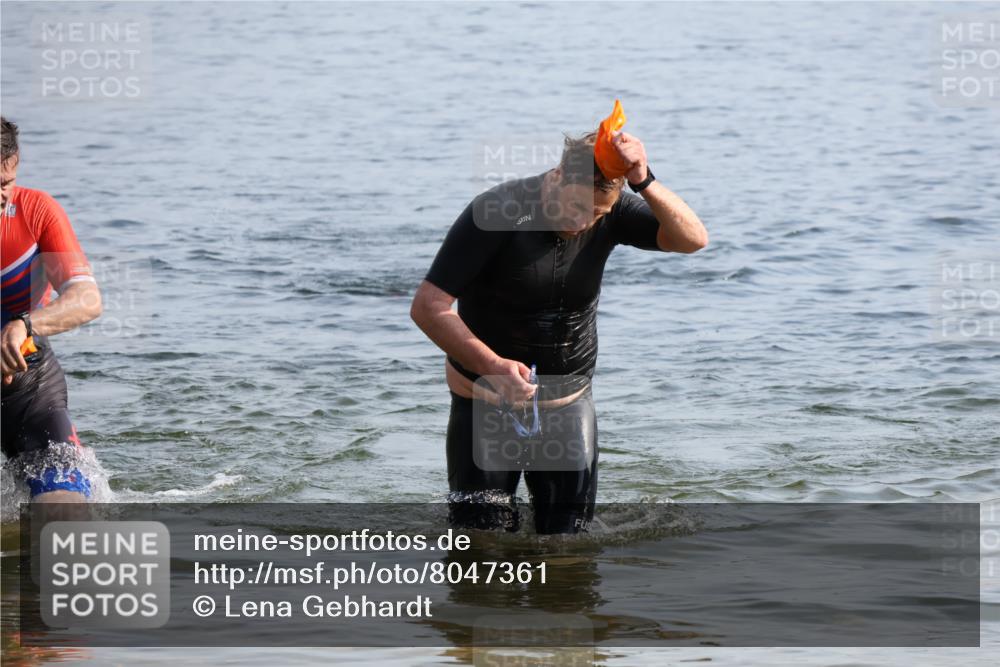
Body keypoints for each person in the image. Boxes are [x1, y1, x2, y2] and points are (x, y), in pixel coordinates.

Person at [411, 122, 708, 534]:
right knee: (480, 546)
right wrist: (494, 366)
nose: (580, 222)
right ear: (555, 176)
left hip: (568, 406)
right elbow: (428, 307)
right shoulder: (497, 211)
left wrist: (642, 179)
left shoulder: (613, 212)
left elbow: (693, 240)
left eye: (594, 214)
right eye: (572, 207)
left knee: (568, 545)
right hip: (485, 407)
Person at [1, 116, 103, 503]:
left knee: (65, 515)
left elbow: (87, 299)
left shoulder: (37, 211)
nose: (1, 197)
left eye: (6, 183)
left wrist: (25, 324)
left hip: (28, 385)